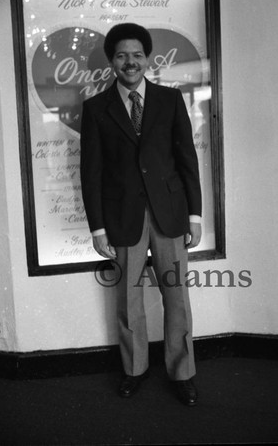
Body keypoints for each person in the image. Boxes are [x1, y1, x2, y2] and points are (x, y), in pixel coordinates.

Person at [80, 23, 202, 406]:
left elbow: (187, 160)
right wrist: (98, 227)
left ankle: (181, 373)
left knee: (176, 296)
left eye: (136, 55)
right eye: (121, 55)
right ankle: (134, 370)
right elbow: (91, 172)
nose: (129, 62)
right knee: (128, 301)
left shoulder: (169, 99)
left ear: (146, 58)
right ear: (111, 61)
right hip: (122, 218)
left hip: (170, 214)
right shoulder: (96, 108)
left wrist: (195, 217)